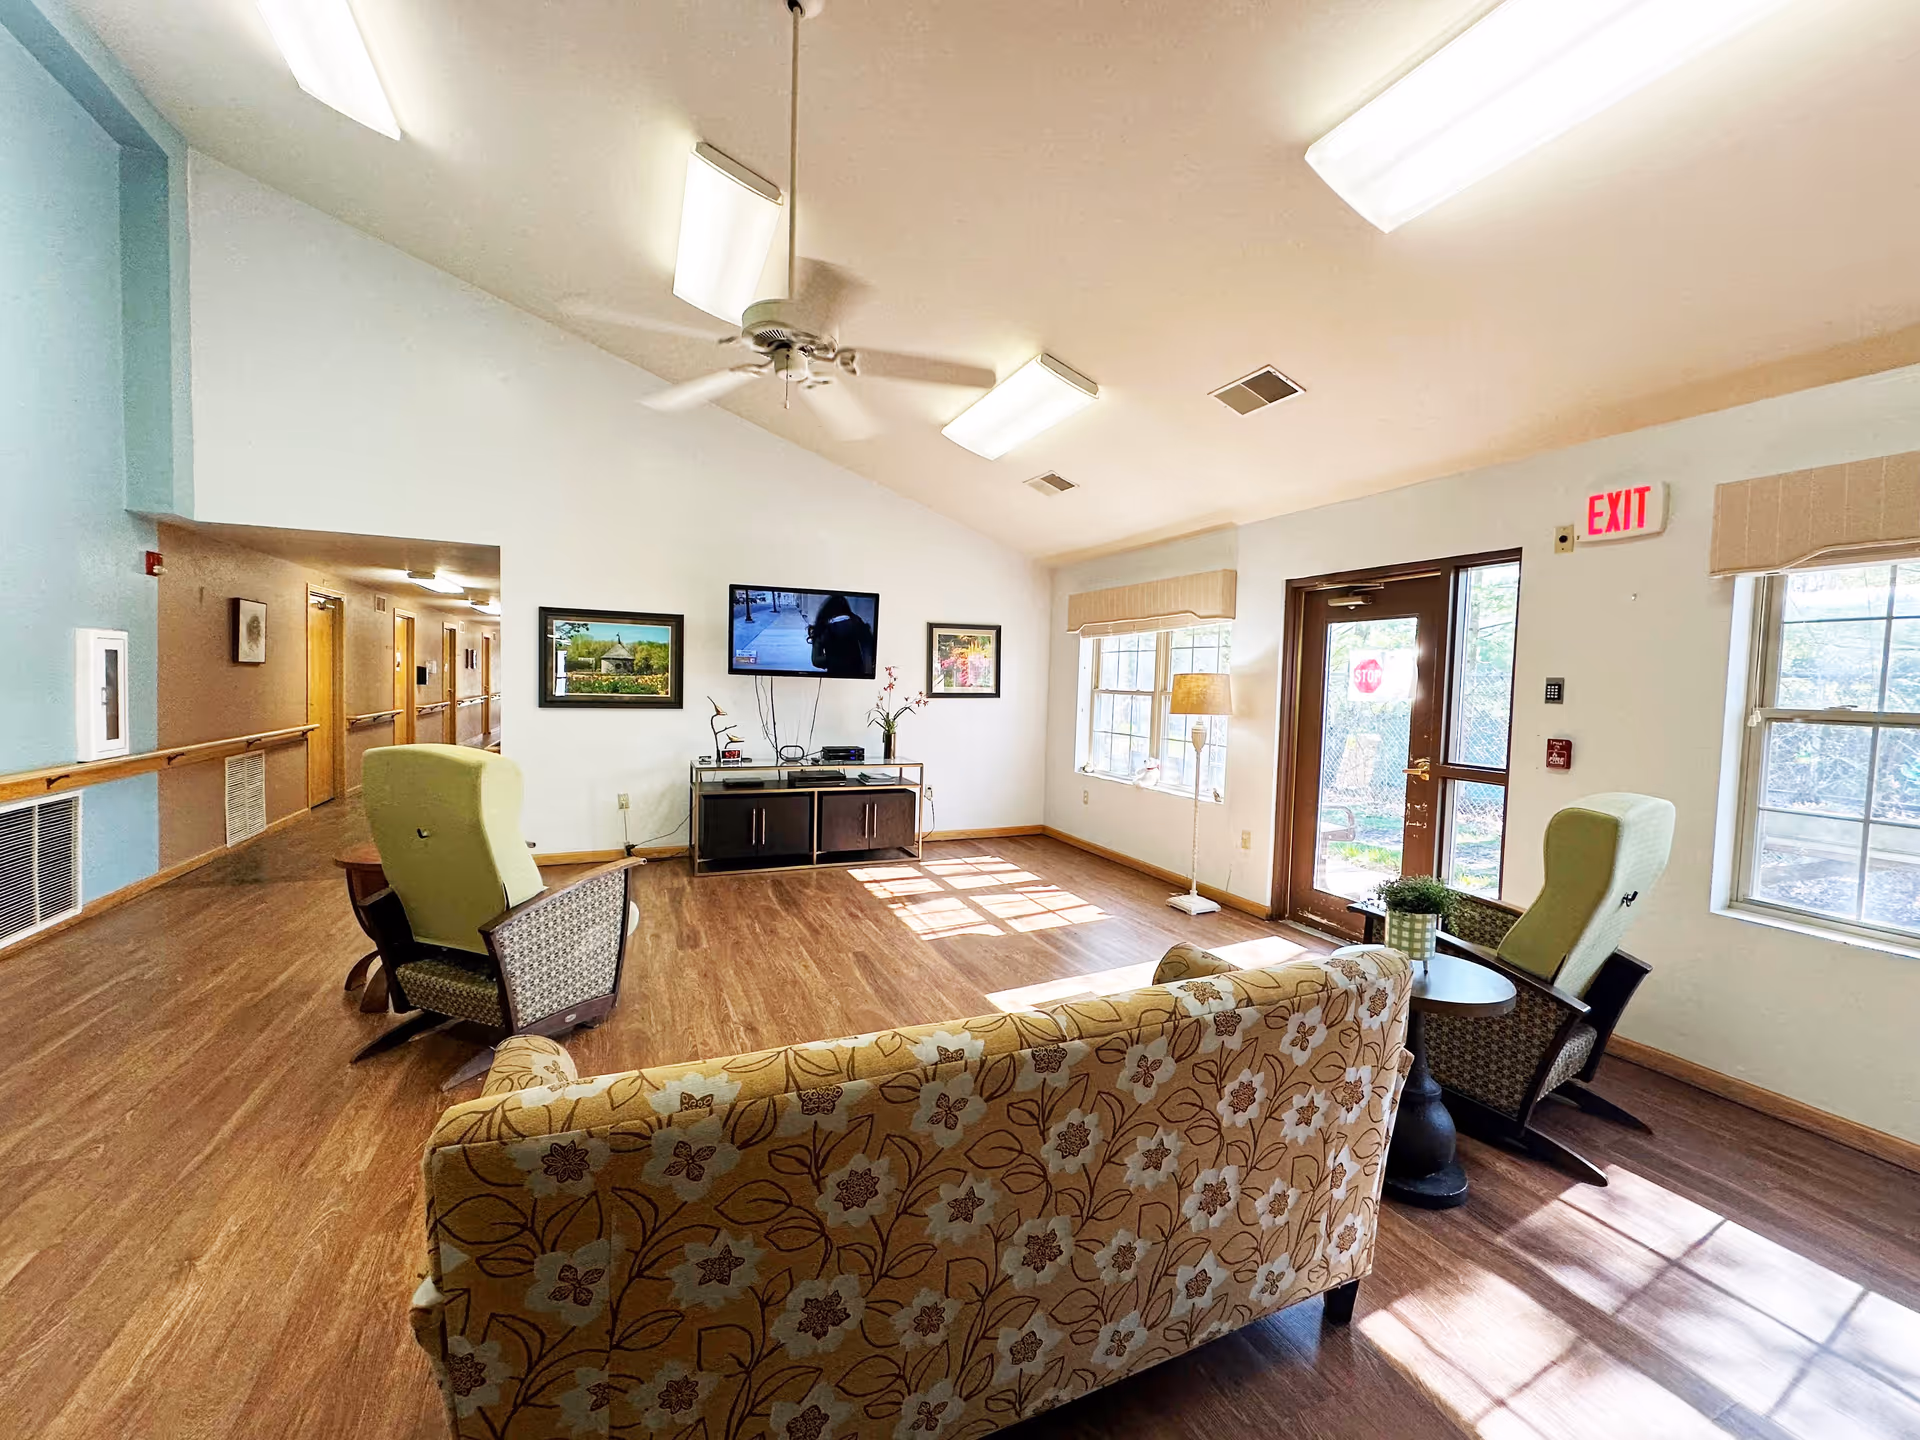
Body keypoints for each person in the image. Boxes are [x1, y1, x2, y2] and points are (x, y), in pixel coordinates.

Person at [808, 593, 876, 677]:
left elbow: (816, 660)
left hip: (834, 674)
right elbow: (870, 652)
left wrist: (835, 659)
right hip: (858, 674)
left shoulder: (824, 629)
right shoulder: (858, 623)